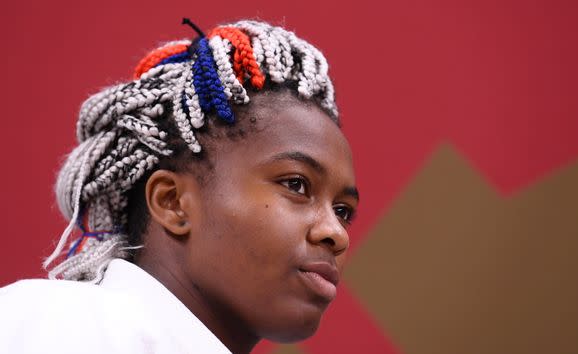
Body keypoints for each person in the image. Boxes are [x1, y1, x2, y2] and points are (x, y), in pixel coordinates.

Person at [0, 18, 359, 354]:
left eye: (343, 212)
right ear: (172, 202)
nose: (336, 234)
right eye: (296, 184)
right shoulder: (58, 324)